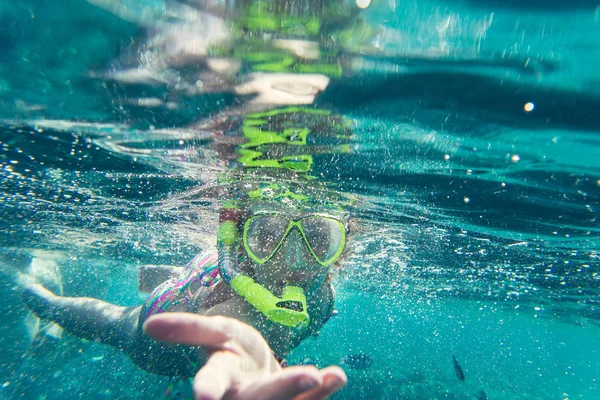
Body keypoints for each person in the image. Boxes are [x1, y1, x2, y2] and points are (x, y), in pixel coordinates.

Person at [22, 187, 349, 400]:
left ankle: (171, 277)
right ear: (243, 248)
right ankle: (43, 302)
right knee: (117, 324)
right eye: (267, 236)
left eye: (319, 239)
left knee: (159, 293)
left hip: (197, 278)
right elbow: (229, 332)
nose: (291, 258)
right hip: (161, 328)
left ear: (340, 248)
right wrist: (237, 358)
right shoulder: (237, 309)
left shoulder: (324, 295)